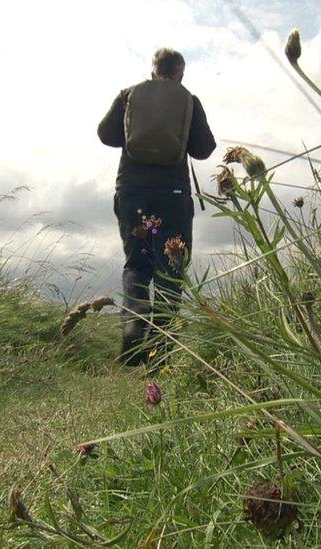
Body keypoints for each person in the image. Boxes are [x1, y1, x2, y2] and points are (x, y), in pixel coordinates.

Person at [97, 47, 216, 366]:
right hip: (172, 195)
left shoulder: (129, 95)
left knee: (137, 263)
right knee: (170, 267)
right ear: (180, 72)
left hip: (133, 191)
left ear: (153, 71)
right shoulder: (188, 99)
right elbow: (204, 150)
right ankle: (161, 351)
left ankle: (135, 330)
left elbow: (106, 136)